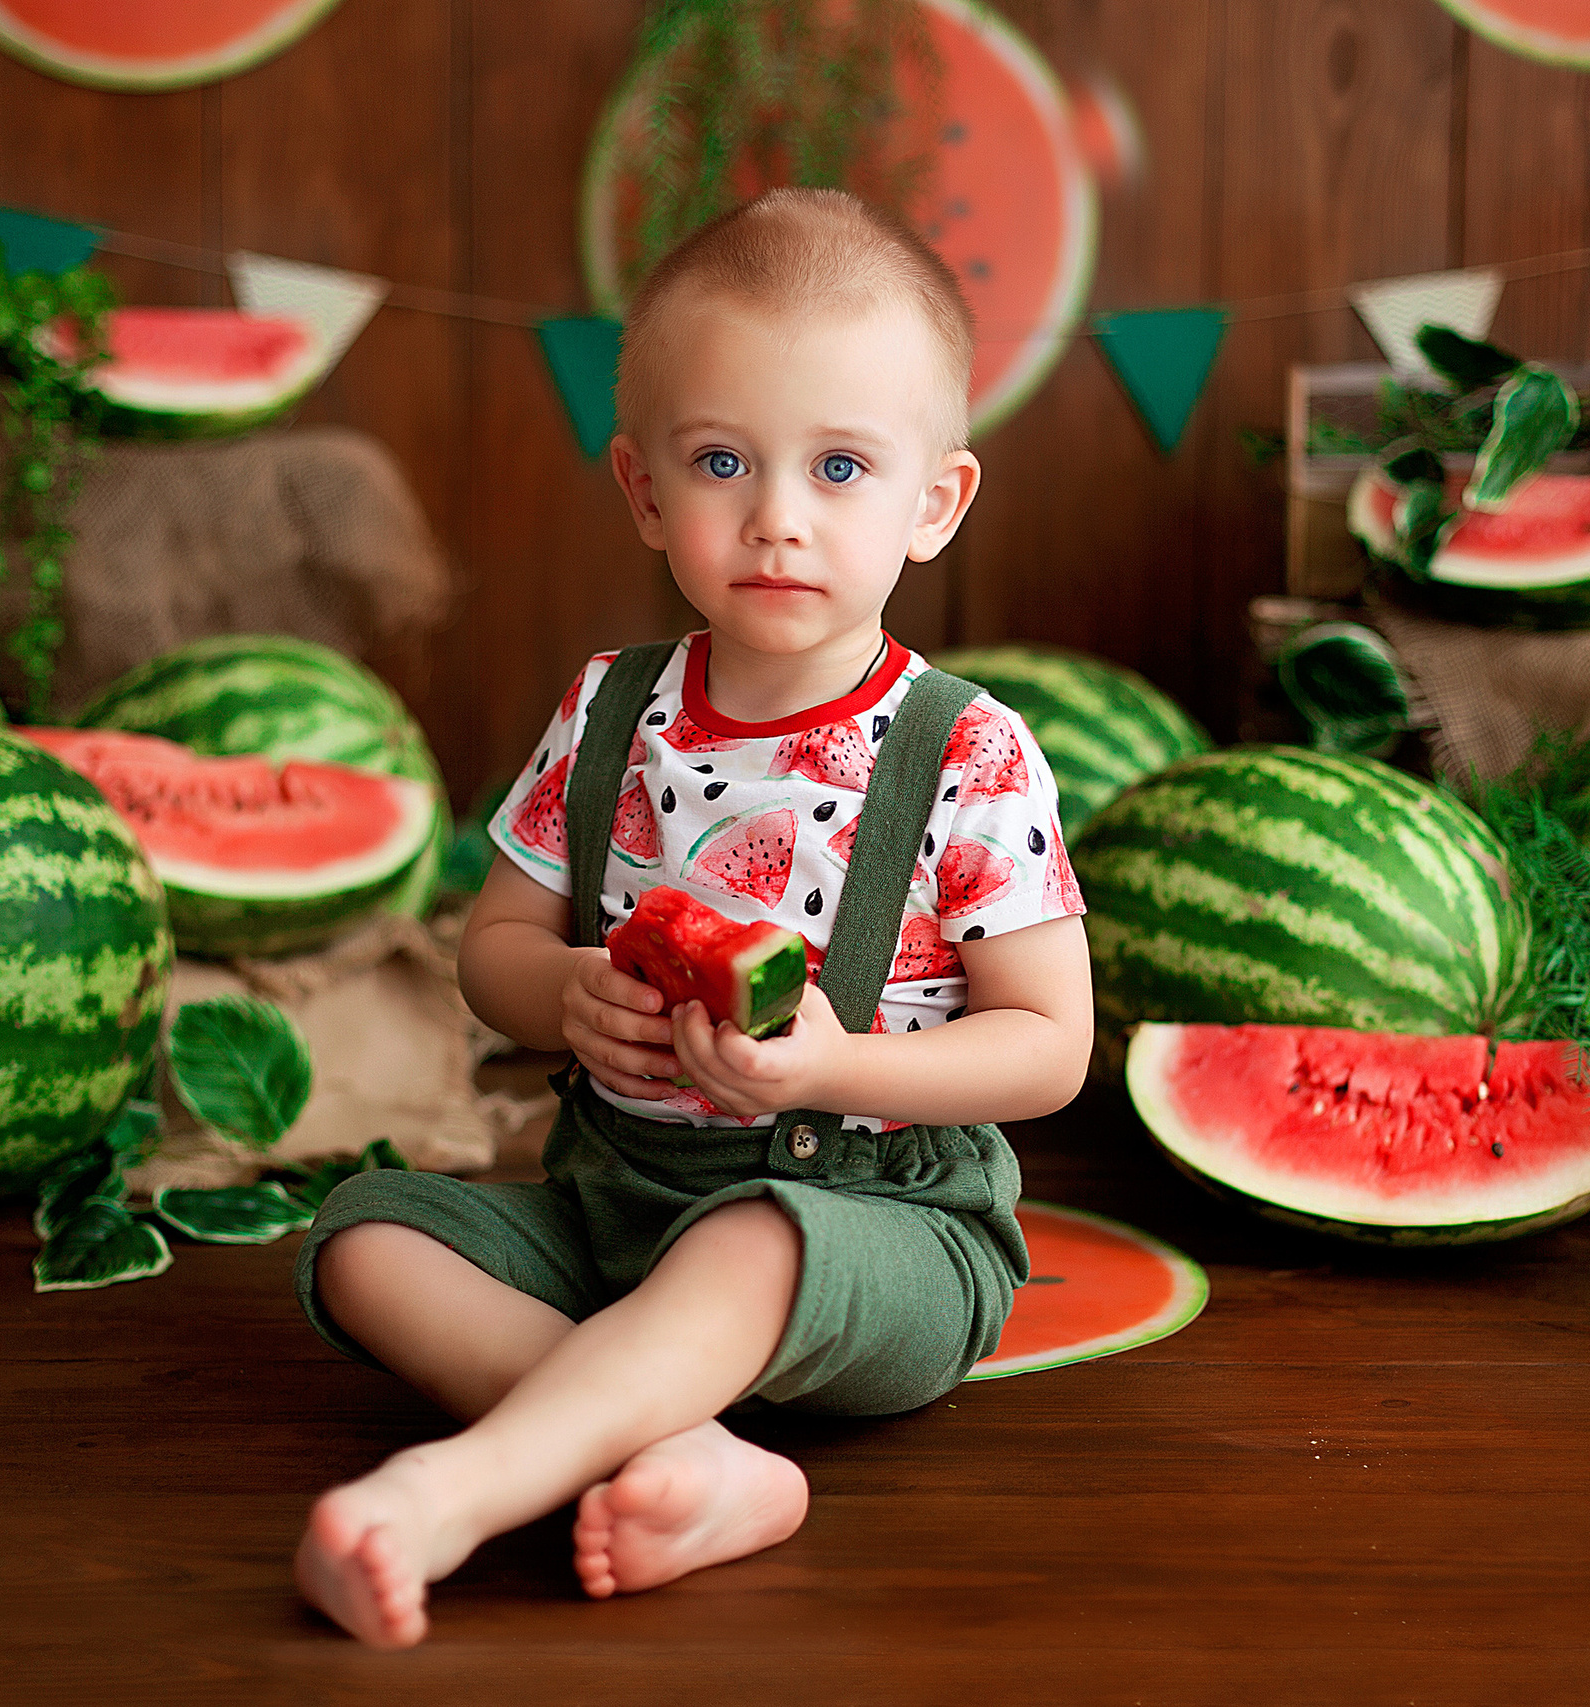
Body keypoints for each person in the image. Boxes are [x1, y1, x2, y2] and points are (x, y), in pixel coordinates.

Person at [289, 186, 1093, 1649]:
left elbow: (1049, 1052)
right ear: (646, 490)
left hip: (877, 1228)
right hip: (615, 1214)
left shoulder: (966, 754)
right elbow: (494, 951)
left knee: (754, 1242)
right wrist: (561, 997)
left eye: (840, 467)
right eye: (723, 460)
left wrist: (839, 1066)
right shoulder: (609, 713)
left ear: (935, 501)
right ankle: (678, 1454)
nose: (778, 518)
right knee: (365, 1236)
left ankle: (460, 1488)